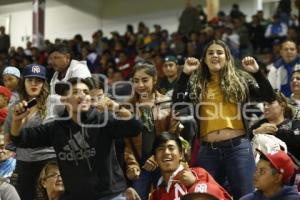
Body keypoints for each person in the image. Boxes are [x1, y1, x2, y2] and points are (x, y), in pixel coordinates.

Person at [172, 39, 276, 199]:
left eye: (219, 52)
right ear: (204, 59)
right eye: (210, 53)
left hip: (238, 149)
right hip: (207, 152)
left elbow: (269, 97)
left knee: (246, 196)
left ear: (227, 57)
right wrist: (185, 74)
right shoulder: (196, 84)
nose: (215, 56)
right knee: (206, 197)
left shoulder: (242, 79)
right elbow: (177, 105)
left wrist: (256, 72)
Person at [10, 77, 142, 200]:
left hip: (110, 195)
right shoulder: (55, 128)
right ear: (65, 99)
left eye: (86, 92)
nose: (83, 95)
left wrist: (116, 107)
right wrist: (17, 120)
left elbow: (135, 126)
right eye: (75, 92)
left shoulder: (103, 120)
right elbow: (20, 139)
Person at [124, 62, 182, 200]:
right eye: (136, 81)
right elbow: (126, 143)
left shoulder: (167, 102)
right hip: (140, 165)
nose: (140, 85)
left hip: (164, 161)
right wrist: (132, 165)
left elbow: (173, 134)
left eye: (145, 80)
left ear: (154, 79)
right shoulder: (127, 107)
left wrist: (156, 157)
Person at [4, 64, 56, 200]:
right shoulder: (14, 108)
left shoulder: (54, 102)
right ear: (24, 82)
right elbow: (7, 139)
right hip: (23, 161)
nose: (34, 84)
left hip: (49, 160)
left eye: (38, 80)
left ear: (44, 83)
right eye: (30, 80)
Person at [150, 132, 231, 200]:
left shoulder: (198, 174)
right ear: (155, 158)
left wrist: (195, 183)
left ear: (181, 154)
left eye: (171, 148)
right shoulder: (155, 195)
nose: (166, 152)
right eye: (161, 149)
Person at [250, 91, 300, 161]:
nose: (266, 107)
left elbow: (297, 138)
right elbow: (244, 141)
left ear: (282, 106)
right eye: (264, 104)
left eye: (270, 103)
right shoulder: (258, 125)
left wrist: (276, 132)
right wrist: (255, 132)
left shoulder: (294, 123)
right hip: (260, 168)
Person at [47, 44, 91, 119]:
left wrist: (55, 99)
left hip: (80, 115)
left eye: (56, 58)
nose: (52, 62)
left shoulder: (79, 69)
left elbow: (74, 98)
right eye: (51, 58)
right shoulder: (56, 74)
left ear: (67, 57)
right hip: (61, 116)